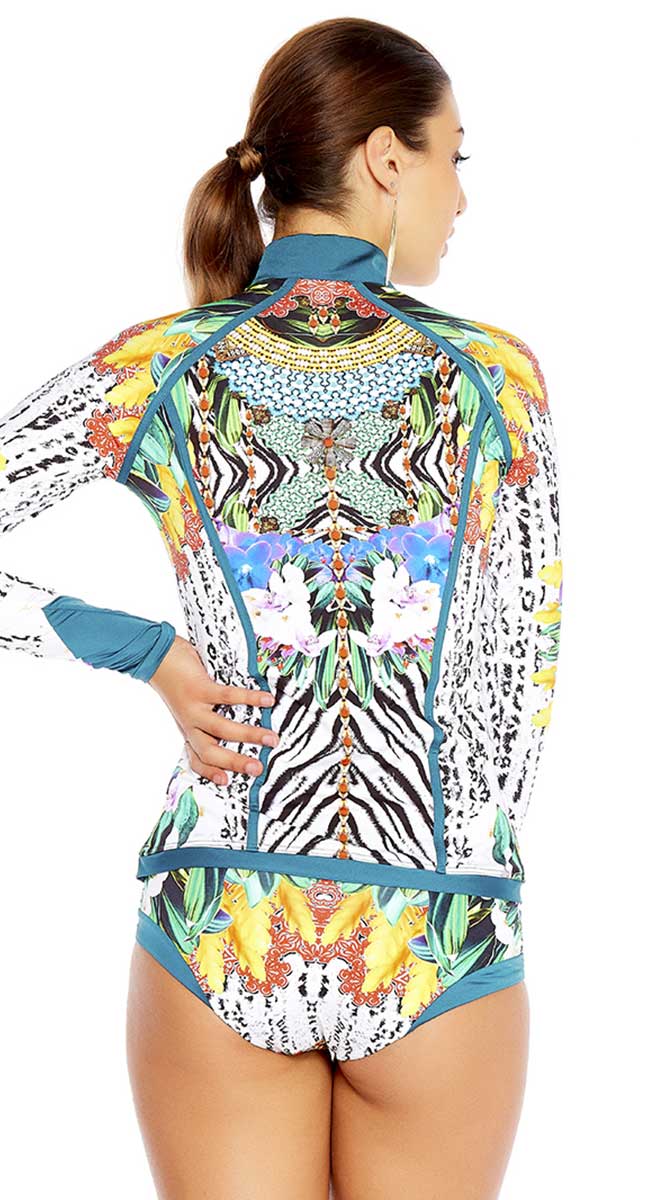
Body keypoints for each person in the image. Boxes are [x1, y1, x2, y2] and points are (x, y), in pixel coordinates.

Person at [0, 17, 563, 1200]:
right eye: (454, 155)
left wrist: (144, 654)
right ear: (386, 157)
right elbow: (519, 680)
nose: (462, 195)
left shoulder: (161, 365)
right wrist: (475, 882)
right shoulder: (493, 377)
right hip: (438, 926)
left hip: (224, 909)